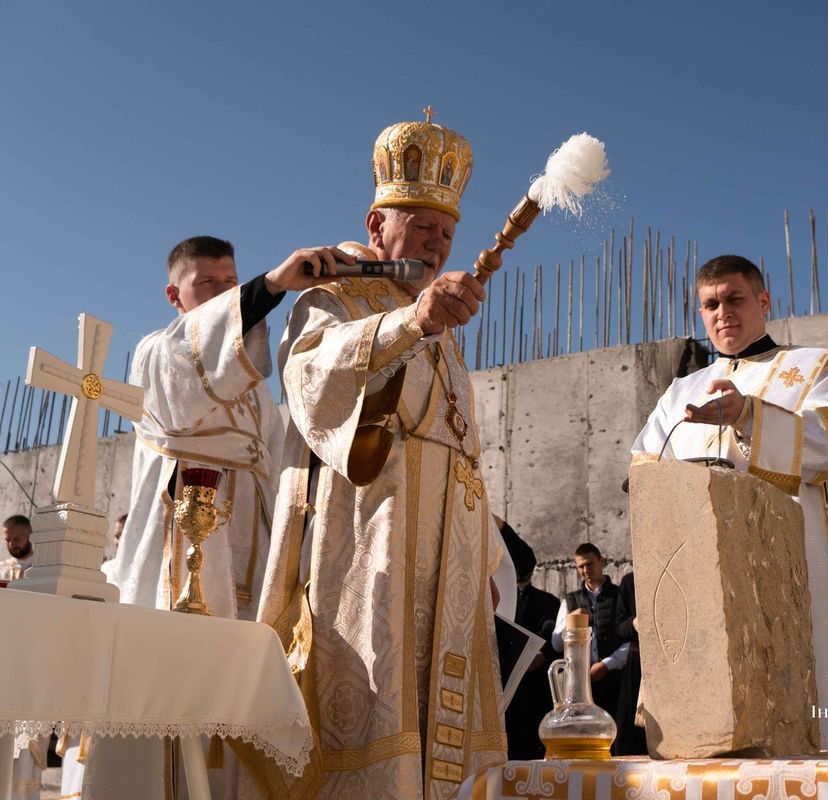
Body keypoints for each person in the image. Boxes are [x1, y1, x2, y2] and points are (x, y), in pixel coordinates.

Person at [251, 113, 507, 799]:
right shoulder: (333, 294)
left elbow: (465, 449)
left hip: (447, 559)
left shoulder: (444, 328)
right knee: (376, 720)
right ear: (376, 224)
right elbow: (312, 375)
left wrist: (483, 559)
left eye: (447, 234)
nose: (437, 242)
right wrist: (411, 322)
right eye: (422, 227)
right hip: (371, 542)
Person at [91, 235, 342, 800]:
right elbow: (196, 352)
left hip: (253, 532)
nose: (226, 293)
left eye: (232, 282)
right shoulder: (155, 351)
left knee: (242, 687)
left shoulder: (256, 395)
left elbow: (284, 469)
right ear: (173, 295)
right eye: (208, 283)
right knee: (172, 689)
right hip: (182, 533)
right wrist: (273, 285)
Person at [631, 254, 828, 749]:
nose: (723, 313)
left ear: (763, 301)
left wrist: (749, 416)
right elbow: (645, 476)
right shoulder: (679, 393)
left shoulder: (814, 367)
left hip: (797, 568)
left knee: (811, 722)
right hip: (703, 581)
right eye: (710, 304)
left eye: (734, 299)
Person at [551, 544, 629, 726]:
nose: (585, 570)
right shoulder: (570, 600)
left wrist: (606, 665)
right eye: (580, 566)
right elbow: (556, 643)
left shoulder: (619, 596)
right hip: (580, 684)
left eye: (590, 564)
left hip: (615, 679)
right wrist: (572, 619)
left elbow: (631, 640)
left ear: (601, 562)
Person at [499, 522, 559, 760]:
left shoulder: (548, 601)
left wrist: (543, 655)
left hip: (535, 684)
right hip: (508, 682)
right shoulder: (499, 599)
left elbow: (553, 636)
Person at [613, 571, 647, 755]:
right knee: (630, 729)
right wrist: (634, 623)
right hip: (638, 660)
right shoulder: (630, 581)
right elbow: (619, 626)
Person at [1, 514, 33, 581]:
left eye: (17, 539)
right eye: (8, 540)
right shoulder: (2, 568)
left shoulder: (42, 569)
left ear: (30, 536)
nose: (11, 544)